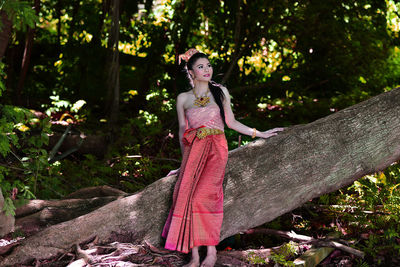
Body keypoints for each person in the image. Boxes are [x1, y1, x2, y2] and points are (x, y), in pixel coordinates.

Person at [162, 48, 284, 267]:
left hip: (216, 149)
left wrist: (260, 133)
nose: (207, 69)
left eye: (208, 65)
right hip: (193, 151)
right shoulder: (183, 99)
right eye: (201, 66)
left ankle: (211, 254)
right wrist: (183, 165)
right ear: (191, 72)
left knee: (205, 197)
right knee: (187, 197)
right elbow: (183, 133)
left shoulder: (220, 92)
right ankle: (195, 257)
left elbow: (232, 123)